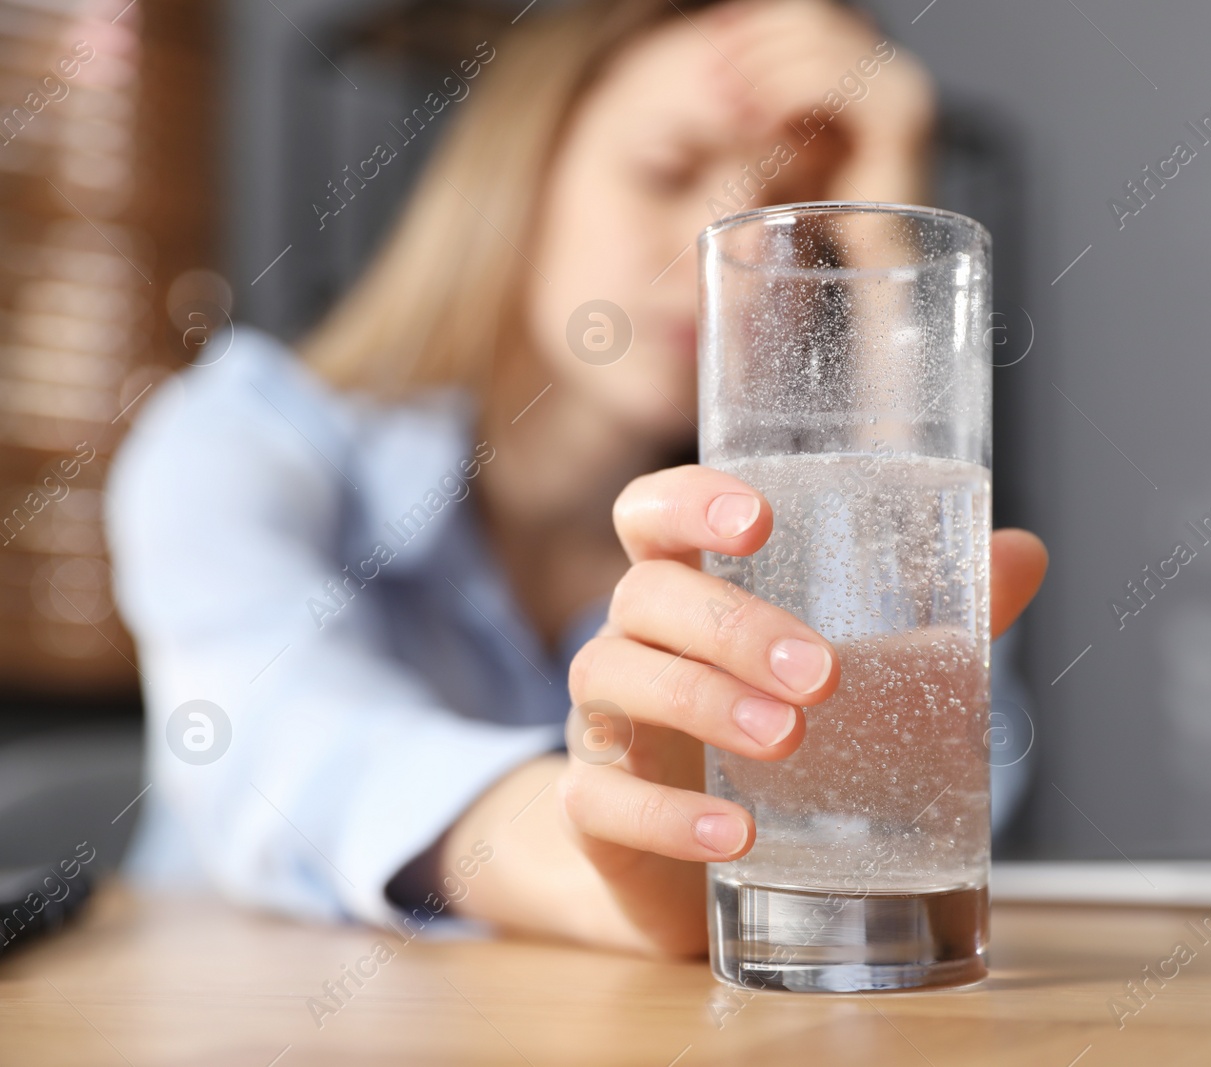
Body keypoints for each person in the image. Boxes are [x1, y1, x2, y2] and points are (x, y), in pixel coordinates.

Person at [107, 0, 1047, 958]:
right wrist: (614, 867)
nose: (720, 257)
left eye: (796, 228)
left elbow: (937, 816)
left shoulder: (756, 540)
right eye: (665, 171)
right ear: (518, 175)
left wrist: (889, 245)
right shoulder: (240, 438)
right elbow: (281, 750)